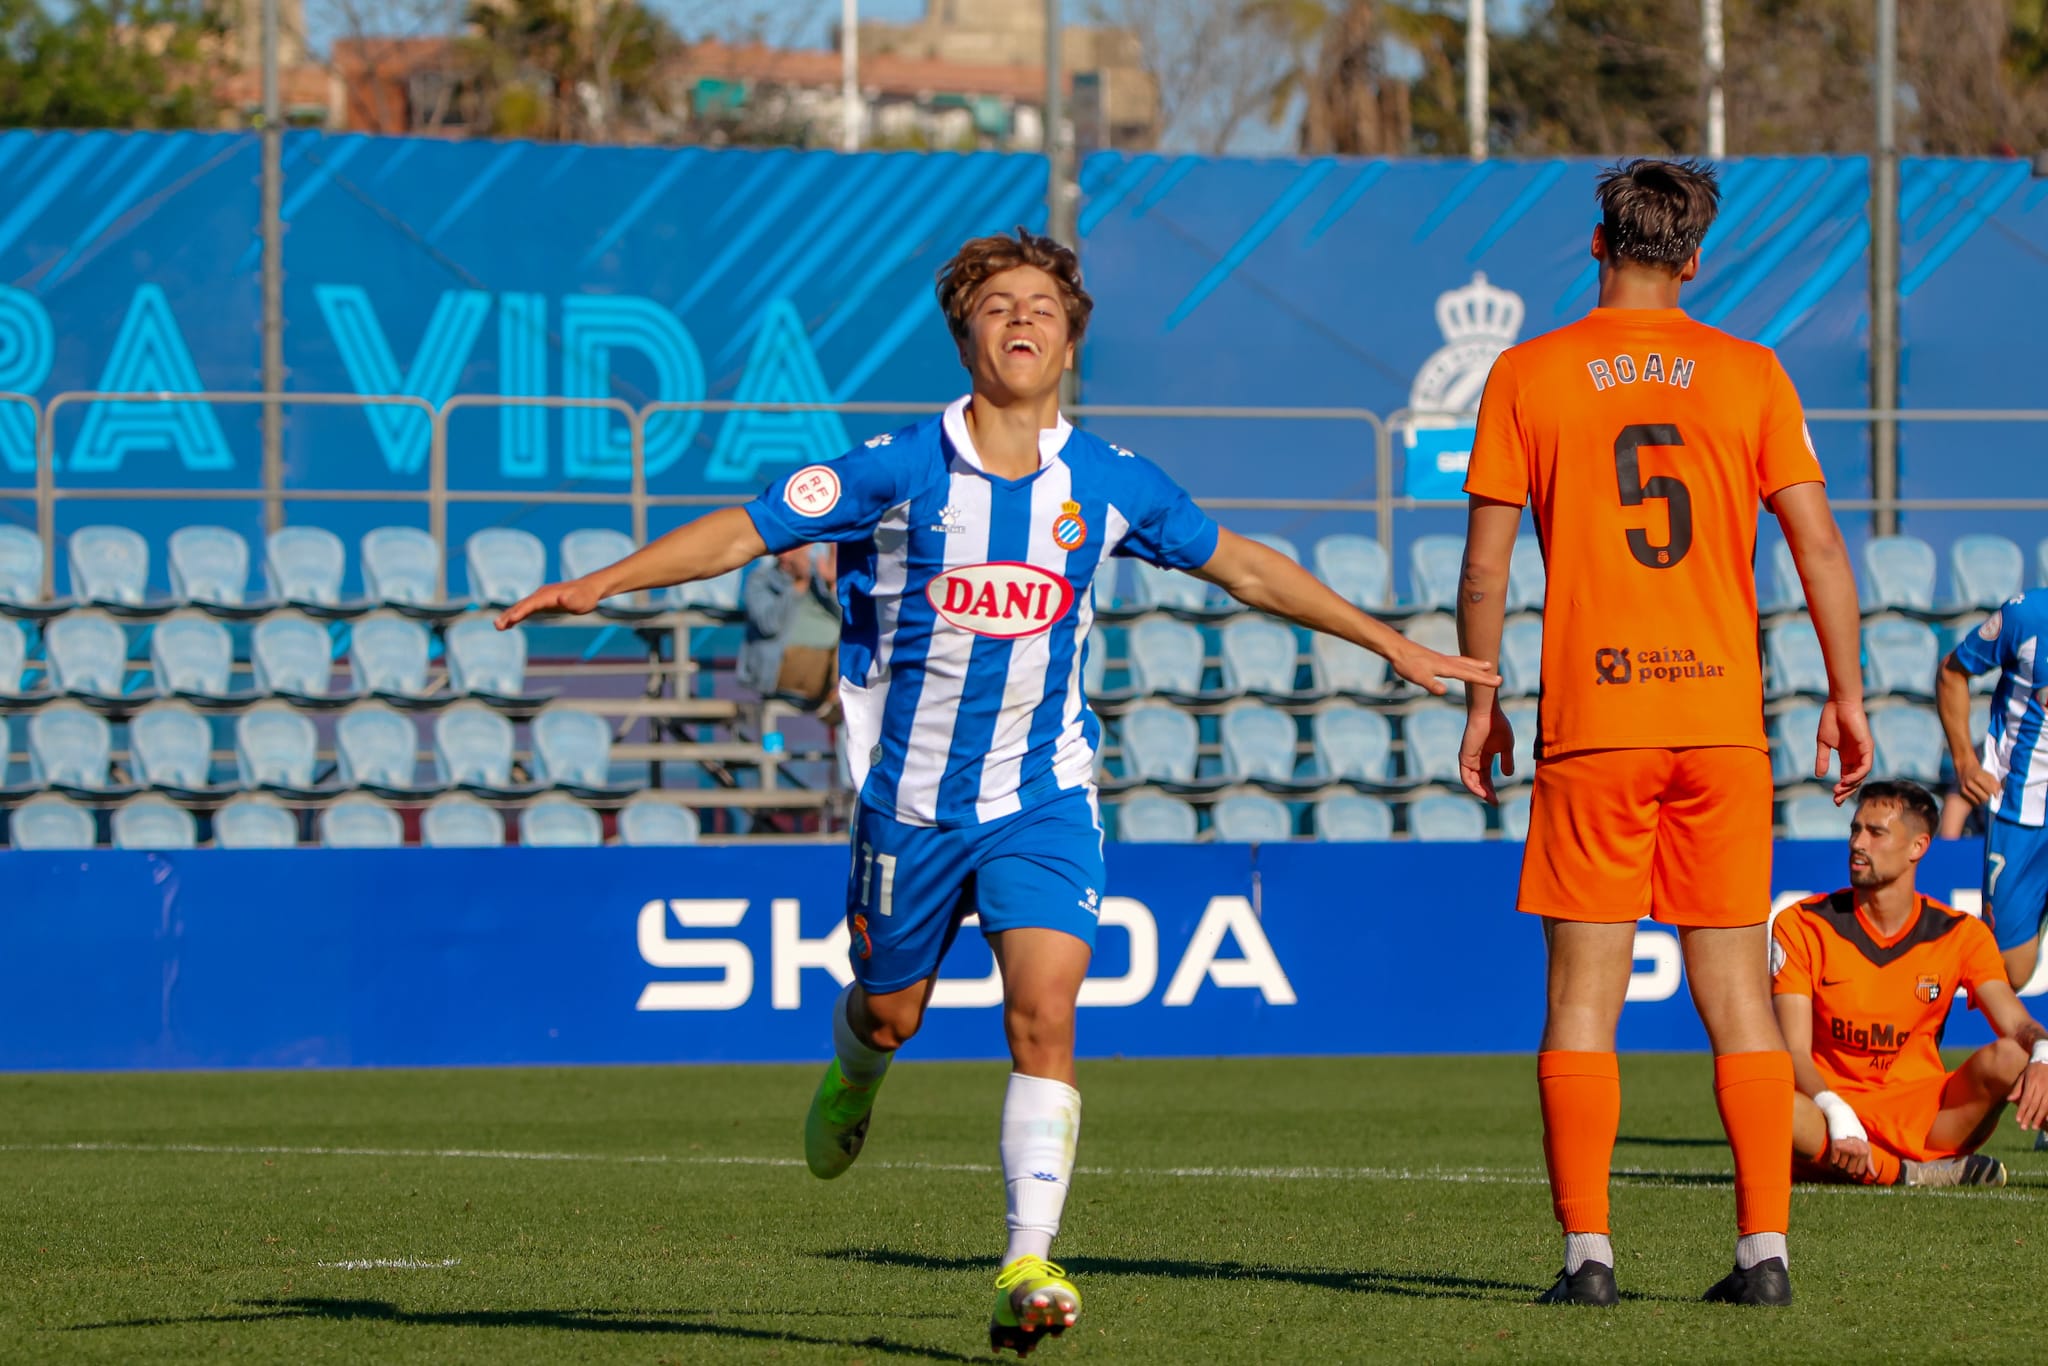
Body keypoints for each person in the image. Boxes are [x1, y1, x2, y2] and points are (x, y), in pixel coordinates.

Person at [496, 227, 1498, 1356]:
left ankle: (1025, 1259)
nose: (1018, 320)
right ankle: (854, 1070)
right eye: (994, 306)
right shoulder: (893, 468)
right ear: (963, 334)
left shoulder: (1110, 482)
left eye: (1039, 305)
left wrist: (1389, 644)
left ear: (1070, 338)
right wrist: (598, 582)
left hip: (1043, 796)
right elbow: (745, 526)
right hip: (910, 804)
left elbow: (1247, 566)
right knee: (891, 1011)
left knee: (1044, 1014)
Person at [1454, 158, 1872, 1309]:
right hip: (1718, 722)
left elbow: (1485, 564)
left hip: (1596, 721)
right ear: (1694, 258)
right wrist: (1845, 693)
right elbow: (1819, 548)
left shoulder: (1527, 373)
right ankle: (1762, 1255)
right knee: (1734, 996)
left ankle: (1587, 1256)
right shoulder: (1749, 373)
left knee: (1581, 999)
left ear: (1594, 245)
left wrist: (1481, 699)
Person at [1775, 780, 2048, 1190]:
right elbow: (1793, 1052)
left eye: (1875, 832)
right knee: (1760, 1095)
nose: (1857, 843)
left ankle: (1898, 1165)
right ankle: (1905, 1174)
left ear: (1918, 847)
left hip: (1927, 1117)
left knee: (2017, 1057)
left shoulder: (1960, 934)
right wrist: (1834, 1109)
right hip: (1829, 1115)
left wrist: (2041, 1050)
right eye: (1855, 829)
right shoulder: (1802, 924)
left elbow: (2016, 1023)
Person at [1937, 589, 2048, 991]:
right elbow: (1952, 671)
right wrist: (1966, 762)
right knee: (2009, 974)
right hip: (2021, 814)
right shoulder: (2028, 616)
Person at [739, 544, 842, 722]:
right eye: (782, 548)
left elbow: (851, 620)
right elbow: (769, 625)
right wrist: (797, 586)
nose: (785, 556)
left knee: (853, 646)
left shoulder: (821, 578)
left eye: (793, 549)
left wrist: (832, 585)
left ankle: (839, 700)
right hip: (783, 666)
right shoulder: (761, 580)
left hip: (831, 666)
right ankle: (839, 700)